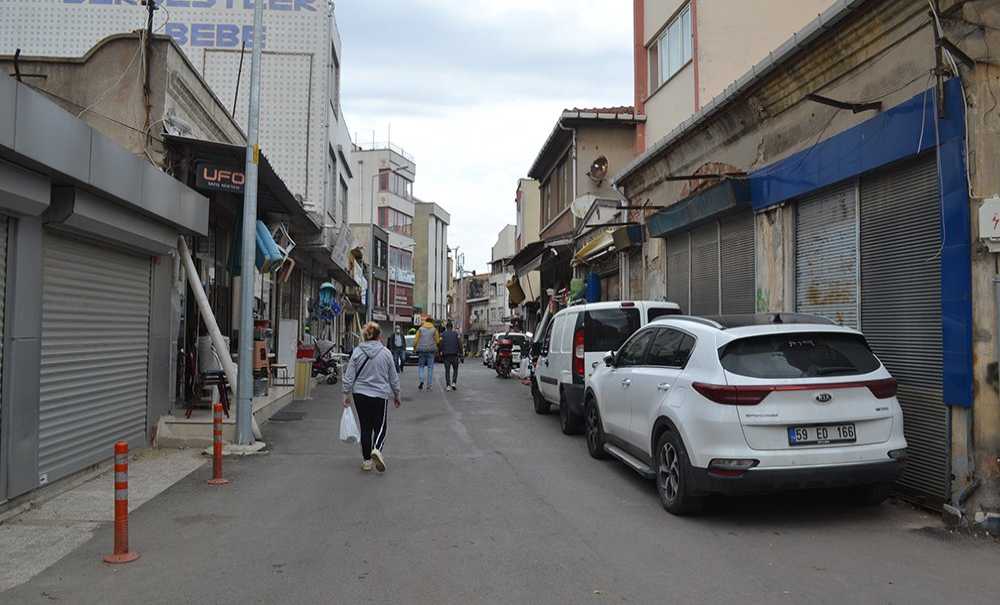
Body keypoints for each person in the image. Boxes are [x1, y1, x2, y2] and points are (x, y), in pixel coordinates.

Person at [342, 322, 401, 473]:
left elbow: (349, 375)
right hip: (380, 394)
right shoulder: (386, 353)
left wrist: (346, 393)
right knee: (380, 426)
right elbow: (393, 377)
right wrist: (396, 394)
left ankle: (367, 461)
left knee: (366, 427)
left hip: (360, 394)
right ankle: (377, 449)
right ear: (380, 336)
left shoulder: (357, 352)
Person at [412, 314, 440, 391]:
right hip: (431, 350)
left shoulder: (420, 329)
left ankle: (421, 381)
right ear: (432, 322)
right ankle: (429, 385)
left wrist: (414, 348)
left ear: (425, 321)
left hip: (421, 350)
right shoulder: (434, 330)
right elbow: (437, 340)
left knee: (421, 366)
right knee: (430, 368)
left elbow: (415, 340)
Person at [440, 320, 463, 391]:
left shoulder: (442, 334)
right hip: (455, 355)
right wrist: (461, 353)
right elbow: (460, 344)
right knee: (455, 370)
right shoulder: (456, 334)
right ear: (452, 327)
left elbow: (440, 344)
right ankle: (453, 383)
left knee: (447, 371)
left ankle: (448, 386)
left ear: (446, 327)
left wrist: (440, 351)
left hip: (446, 355)